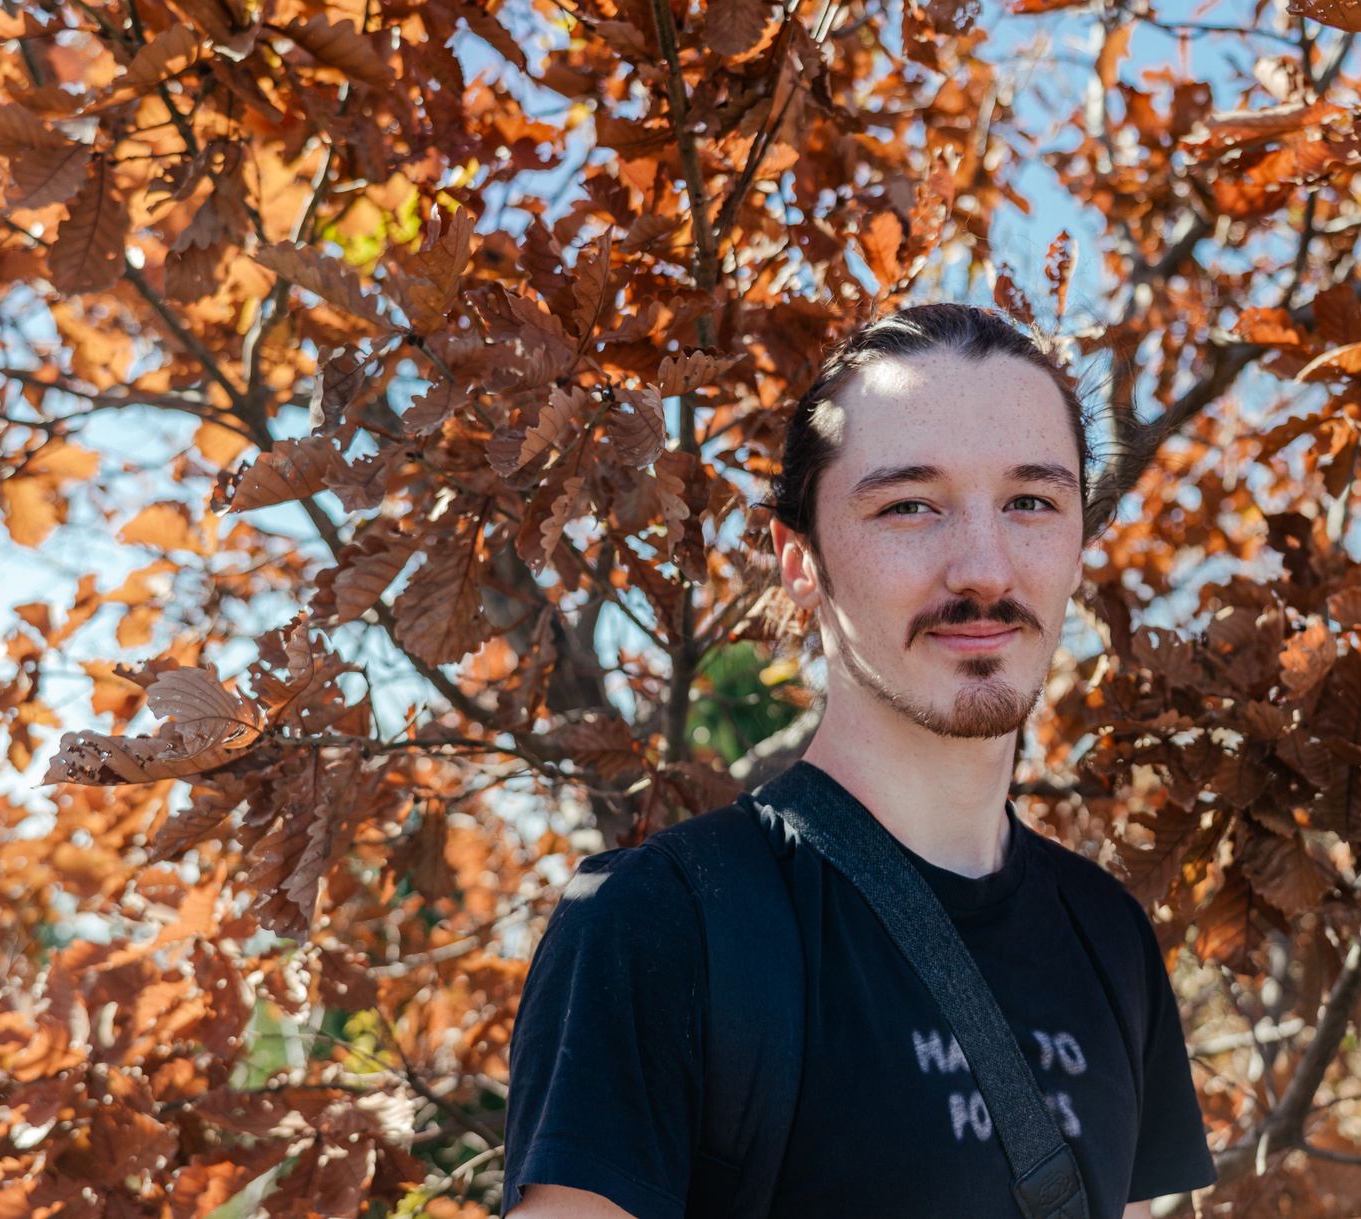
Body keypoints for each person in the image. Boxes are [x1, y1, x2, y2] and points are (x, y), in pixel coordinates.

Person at [499, 303, 1217, 1219]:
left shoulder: (1111, 935)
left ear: (1080, 541)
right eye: (909, 505)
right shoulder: (657, 925)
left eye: (1031, 502)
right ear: (800, 561)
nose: (985, 568)